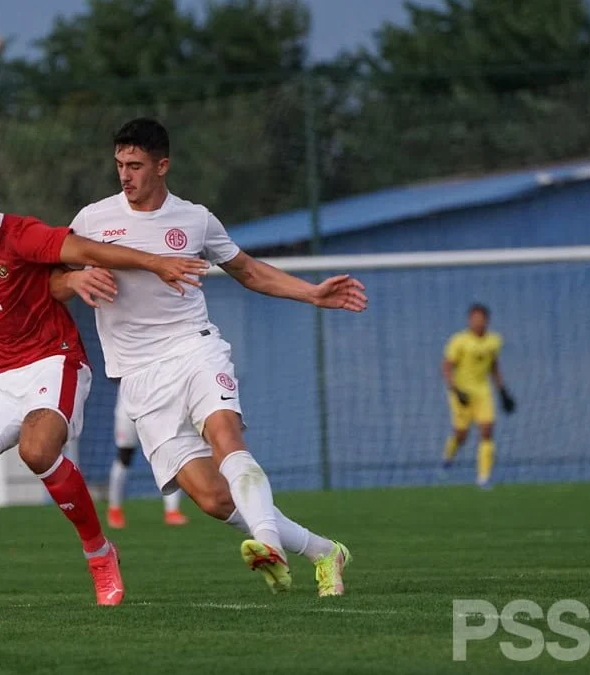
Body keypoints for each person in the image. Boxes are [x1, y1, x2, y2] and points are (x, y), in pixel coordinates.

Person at [64, 118, 367, 597]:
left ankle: (268, 543)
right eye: (120, 164)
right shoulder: (92, 220)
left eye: (136, 165)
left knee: (224, 433)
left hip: (194, 347)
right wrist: (73, 280)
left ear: (162, 165)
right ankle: (325, 552)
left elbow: (246, 271)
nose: (125, 175)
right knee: (211, 498)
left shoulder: (195, 219)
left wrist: (312, 294)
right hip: (139, 375)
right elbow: (50, 278)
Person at [0, 162, 207, 611]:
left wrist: (154, 263)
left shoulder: (24, 235)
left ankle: (100, 553)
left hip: (54, 360)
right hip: (0, 373)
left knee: (38, 451)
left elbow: (88, 250)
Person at [441, 303, 515, 489]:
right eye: (473, 319)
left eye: (480, 319)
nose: (477, 322)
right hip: (462, 392)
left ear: (486, 321)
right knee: (461, 435)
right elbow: (447, 366)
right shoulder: (459, 341)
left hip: (483, 392)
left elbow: (493, 366)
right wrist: (455, 389)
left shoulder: (493, 341)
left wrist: (502, 390)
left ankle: (483, 477)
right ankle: (448, 456)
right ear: (469, 320)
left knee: (487, 431)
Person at [106, 386, 188, 529]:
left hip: (156, 405)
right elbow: (113, 376)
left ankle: (172, 511)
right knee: (125, 455)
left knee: (168, 453)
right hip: (127, 407)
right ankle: (115, 509)